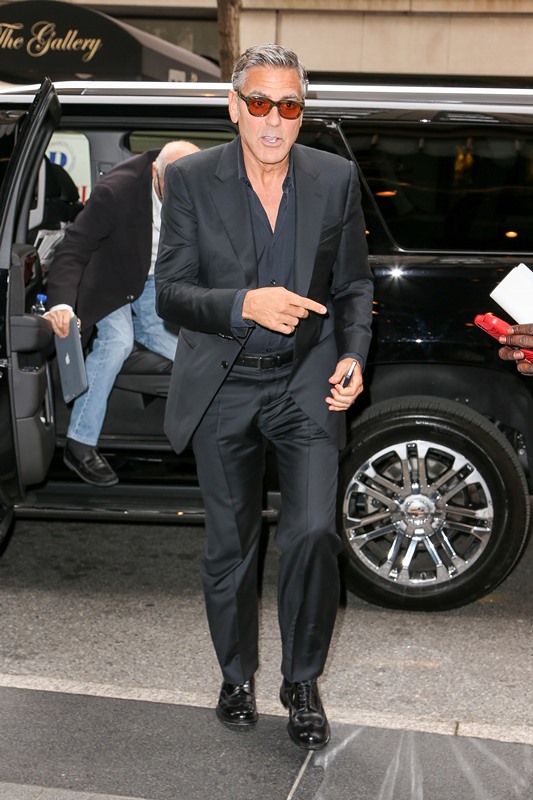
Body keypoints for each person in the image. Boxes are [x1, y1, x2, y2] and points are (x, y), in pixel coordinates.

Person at [155, 44, 374, 750]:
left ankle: (300, 681)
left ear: (301, 112)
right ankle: (236, 675)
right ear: (234, 108)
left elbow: (354, 285)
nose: (273, 119)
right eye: (259, 103)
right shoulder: (190, 179)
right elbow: (170, 293)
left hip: (305, 381)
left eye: (288, 105)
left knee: (312, 532)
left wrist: (352, 354)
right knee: (231, 543)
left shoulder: (334, 178)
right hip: (224, 384)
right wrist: (243, 303)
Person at [44, 140, 200, 487]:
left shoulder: (199, 183)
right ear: (156, 173)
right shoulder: (117, 191)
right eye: (173, 188)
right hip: (110, 280)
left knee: (192, 351)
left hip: (155, 280)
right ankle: (79, 444)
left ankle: (212, 433)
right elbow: (73, 249)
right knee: (118, 341)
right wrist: (61, 305)